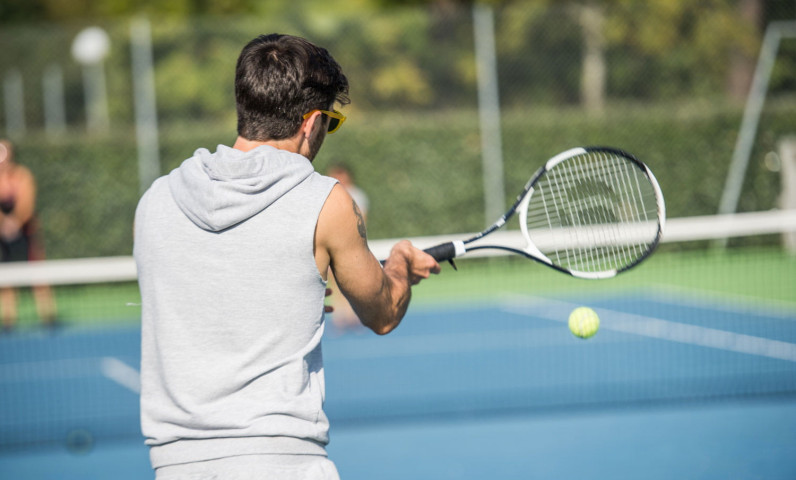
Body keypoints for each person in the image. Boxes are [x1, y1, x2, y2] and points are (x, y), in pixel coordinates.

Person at [133, 34, 440, 479]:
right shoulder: (327, 200)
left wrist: (290, 295)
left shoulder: (155, 200)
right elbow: (383, 313)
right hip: (282, 462)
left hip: (174, 466)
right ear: (312, 122)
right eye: (331, 123)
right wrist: (399, 262)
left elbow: (200, 287)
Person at [0, 139, 56, 332]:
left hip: (26, 233)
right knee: (6, 276)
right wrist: (4, 223)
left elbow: (26, 203)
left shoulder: (23, 175)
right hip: (3, 236)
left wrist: (15, 221)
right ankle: (8, 320)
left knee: (37, 273)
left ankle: (48, 317)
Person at [325, 163, 369, 333]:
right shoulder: (327, 195)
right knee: (335, 283)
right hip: (332, 247)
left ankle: (354, 315)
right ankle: (339, 316)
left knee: (354, 281)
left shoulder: (357, 195)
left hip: (352, 248)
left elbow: (361, 223)